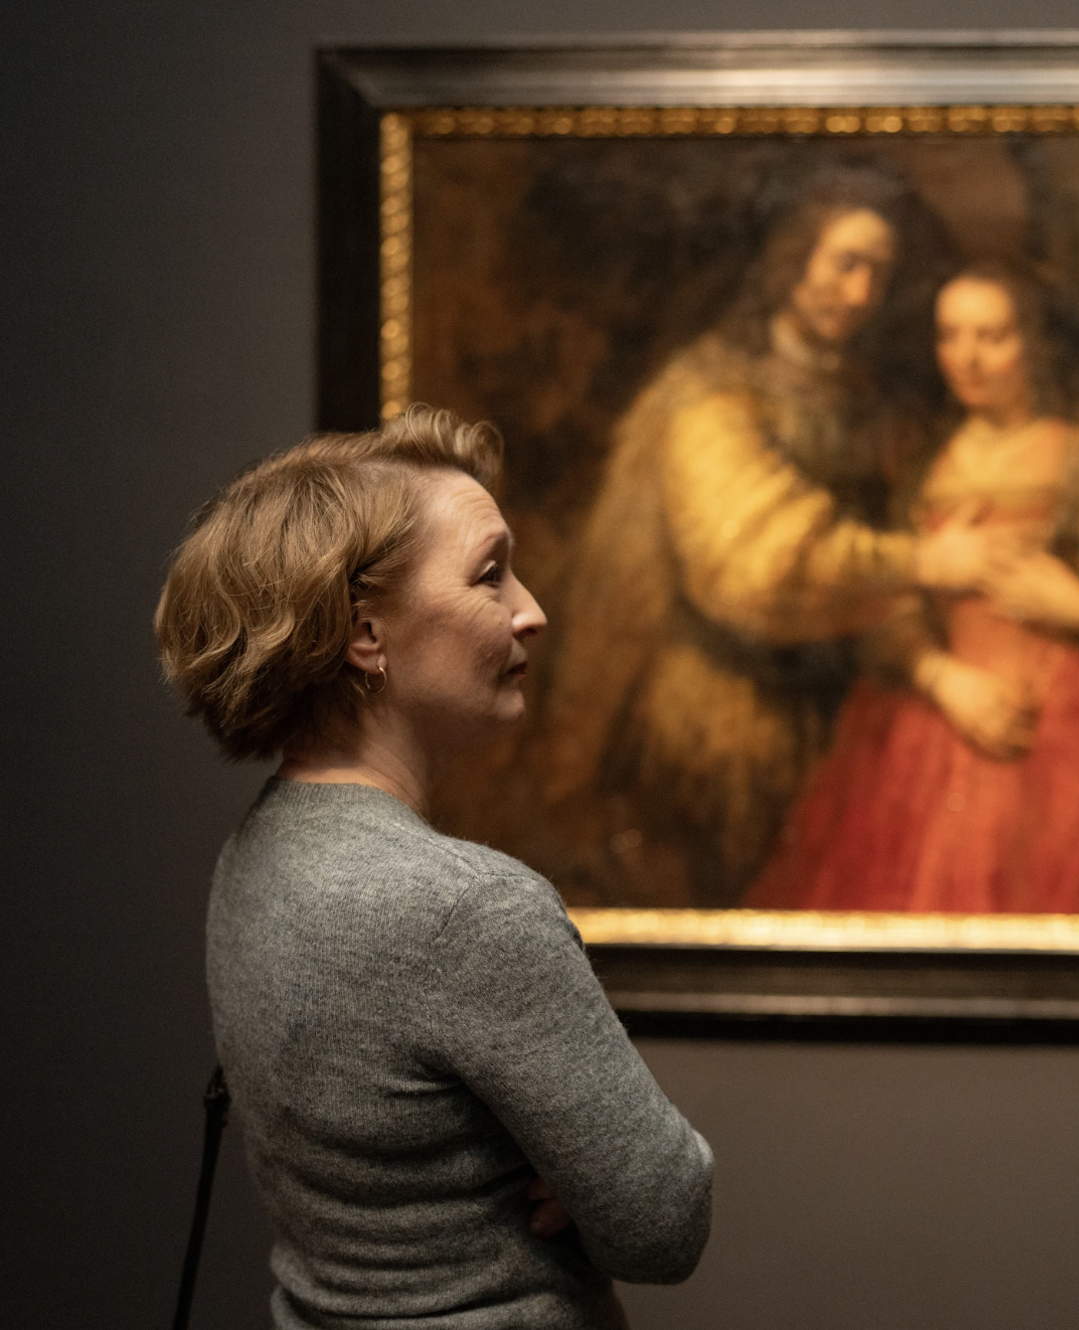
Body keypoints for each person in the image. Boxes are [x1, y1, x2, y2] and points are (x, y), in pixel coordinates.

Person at [155, 408, 712, 1329]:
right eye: (489, 573)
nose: (530, 608)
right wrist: (589, 1181)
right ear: (365, 636)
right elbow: (665, 1222)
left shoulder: (256, 855)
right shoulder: (468, 910)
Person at [746, 261, 1079, 915]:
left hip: (1066, 727)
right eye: (950, 336)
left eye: (992, 336)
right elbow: (890, 604)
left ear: (1034, 342)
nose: (966, 358)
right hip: (940, 716)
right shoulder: (924, 462)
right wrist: (944, 675)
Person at [533, 161, 998, 904]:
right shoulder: (709, 395)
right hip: (722, 725)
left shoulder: (870, 401)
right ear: (792, 259)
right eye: (846, 264)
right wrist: (925, 559)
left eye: (879, 274)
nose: (861, 294)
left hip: (841, 719)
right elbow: (759, 568)